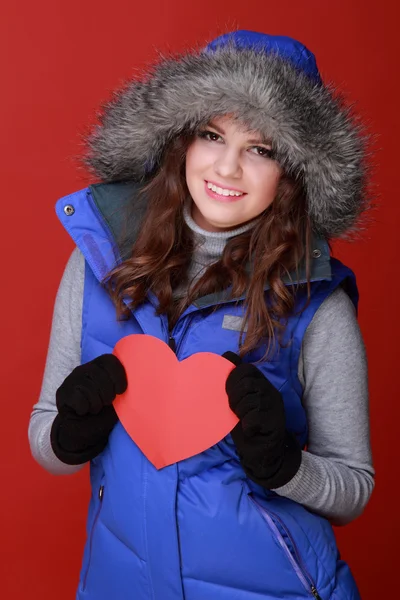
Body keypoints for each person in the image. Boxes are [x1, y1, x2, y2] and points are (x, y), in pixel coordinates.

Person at [28, 30, 374, 600]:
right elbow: (46, 439)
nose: (228, 167)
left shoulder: (317, 303)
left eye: (261, 149)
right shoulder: (97, 264)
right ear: (179, 140)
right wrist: (70, 433)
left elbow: (352, 489)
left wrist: (284, 466)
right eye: (212, 134)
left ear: (293, 174)